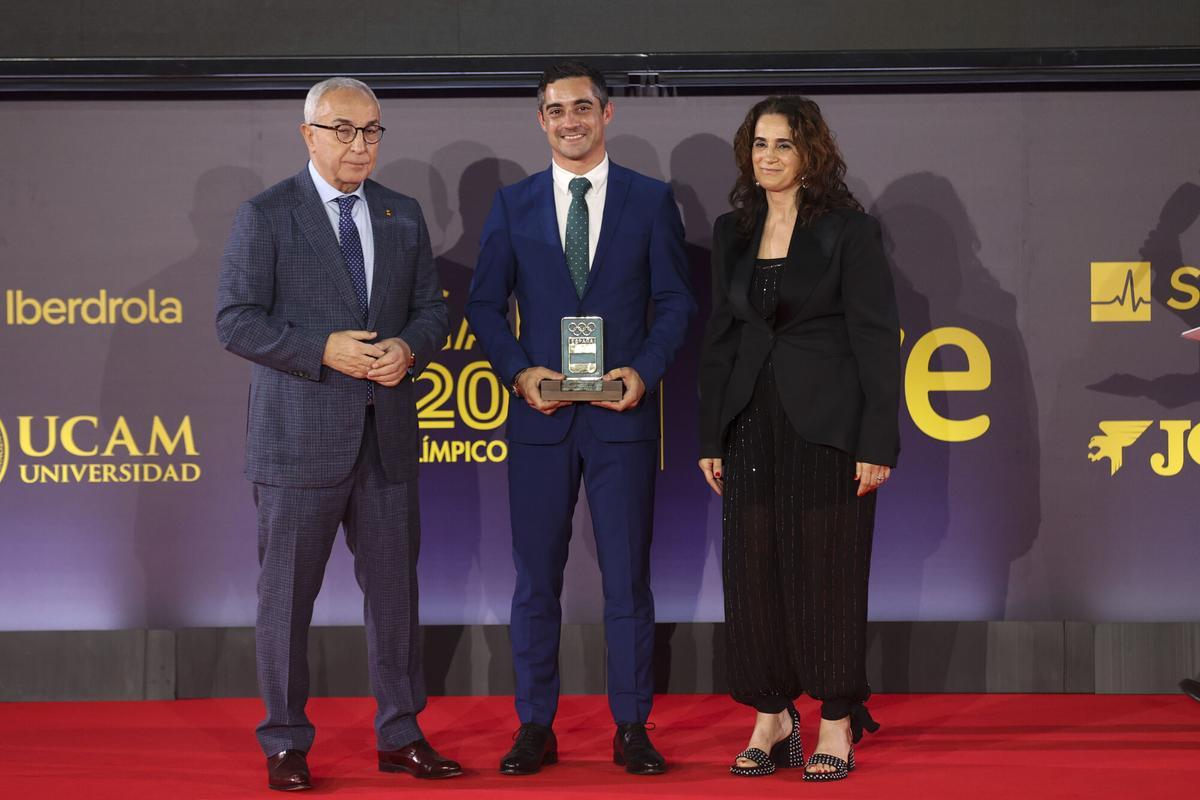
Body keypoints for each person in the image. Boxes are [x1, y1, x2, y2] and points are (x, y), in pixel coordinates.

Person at [216, 77, 458, 791]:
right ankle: (286, 740)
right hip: (297, 443)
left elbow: (431, 311)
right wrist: (324, 348)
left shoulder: (402, 213)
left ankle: (401, 732)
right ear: (308, 134)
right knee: (285, 600)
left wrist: (409, 349)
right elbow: (235, 320)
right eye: (345, 130)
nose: (361, 145)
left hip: (386, 438)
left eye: (373, 131)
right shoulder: (266, 215)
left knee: (396, 600)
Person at [466, 60, 695, 776]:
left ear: (607, 114)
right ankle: (535, 724)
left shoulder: (651, 200)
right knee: (535, 581)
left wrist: (644, 371)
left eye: (582, 107)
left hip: (620, 418)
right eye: (556, 110)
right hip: (540, 419)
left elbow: (677, 303)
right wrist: (521, 372)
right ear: (541, 120)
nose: (570, 120)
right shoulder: (513, 203)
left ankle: (632, 726)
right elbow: (482, 305)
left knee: (628, 581)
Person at [697, 95, 900, 781]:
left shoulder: (849, 231)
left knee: (828, 572)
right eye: (759, 144)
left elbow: (876, 340)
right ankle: (772, 716)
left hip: (829, 427)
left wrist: (878, 441)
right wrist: (710, 435)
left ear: (811, 152)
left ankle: (837, 720)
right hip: (750, 422)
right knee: (751, 572)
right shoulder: (732, 230)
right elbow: (720, 340)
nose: (768, 157)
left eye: (783, 144)